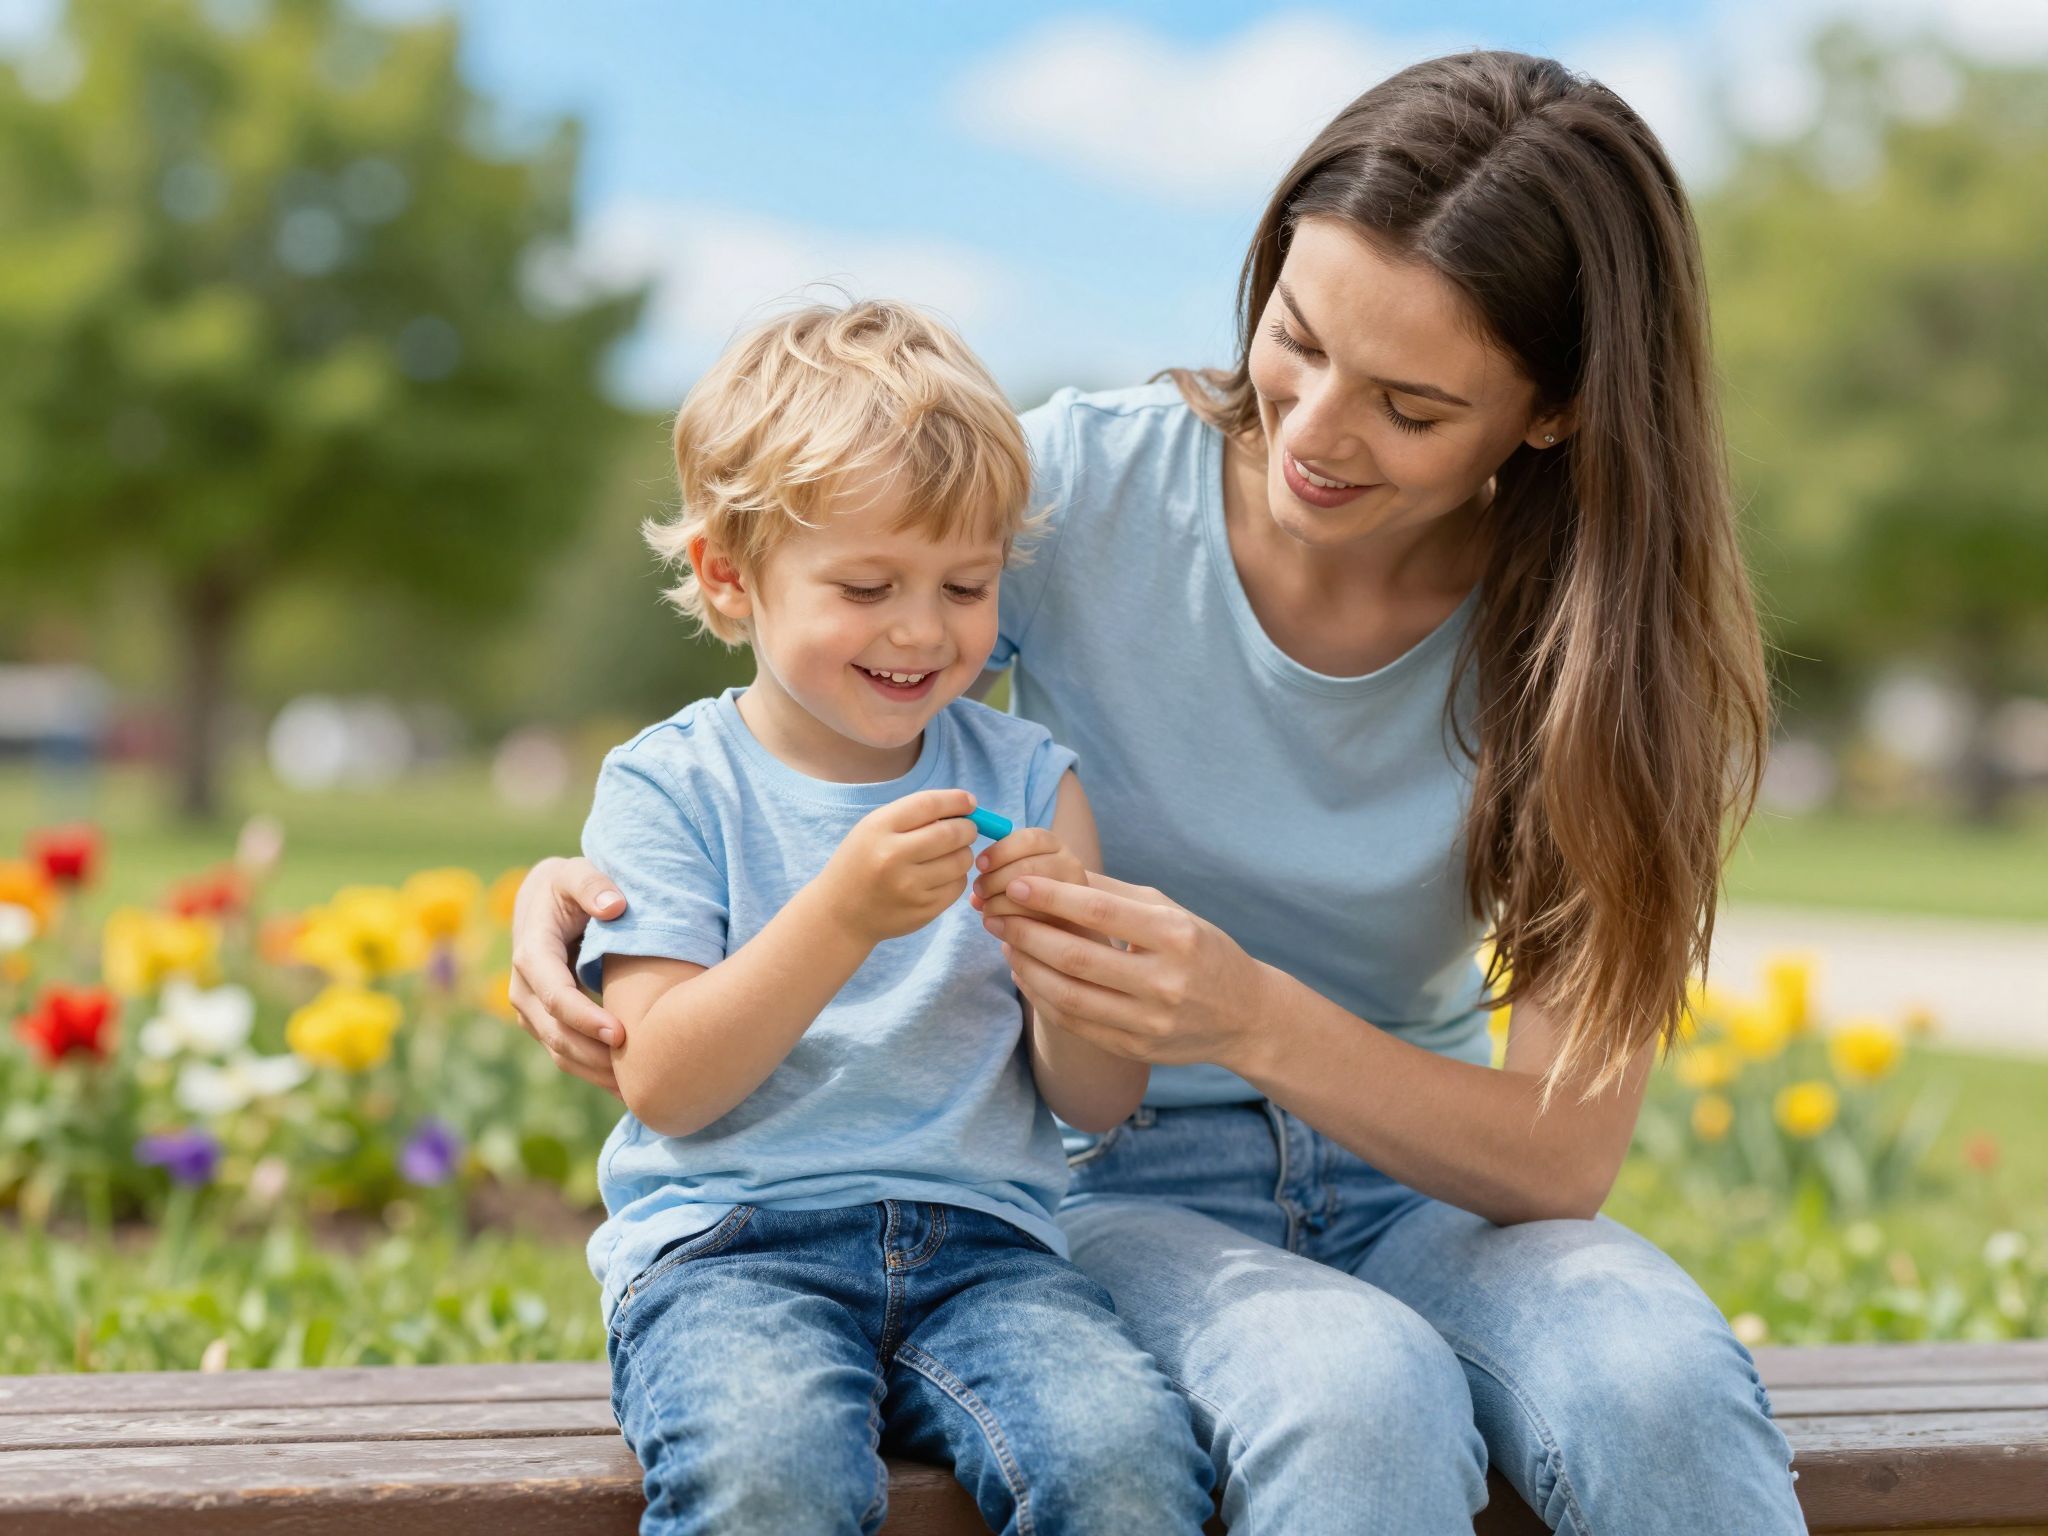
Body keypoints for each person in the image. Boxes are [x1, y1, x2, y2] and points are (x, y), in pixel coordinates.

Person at [517, 52, 1807, 1535]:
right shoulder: (1084, 493)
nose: (1313, 432)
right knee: (1351, 1393)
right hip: (1123, 1181)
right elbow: (815, 672)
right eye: (1296, 339)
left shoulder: (1607, 648)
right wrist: (573, 885)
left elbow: (1559, 1152)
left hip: (1430, 1180)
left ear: (1555, 411)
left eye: (1409, 406)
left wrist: (1246, 1013)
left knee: (1655, 1382)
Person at [577, 300, 1213, 1535]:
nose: (922, 629)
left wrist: (1063, 967)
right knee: (768, 1472)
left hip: (989, 1254)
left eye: (965, 586)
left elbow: (1095, 1100)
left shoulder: (1029, 781)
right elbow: (663, 1081)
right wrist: (840, 914)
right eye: (867, 586)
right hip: (731, 1253)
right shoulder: (671, 786)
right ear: (727, 575)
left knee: (1122, 1460)